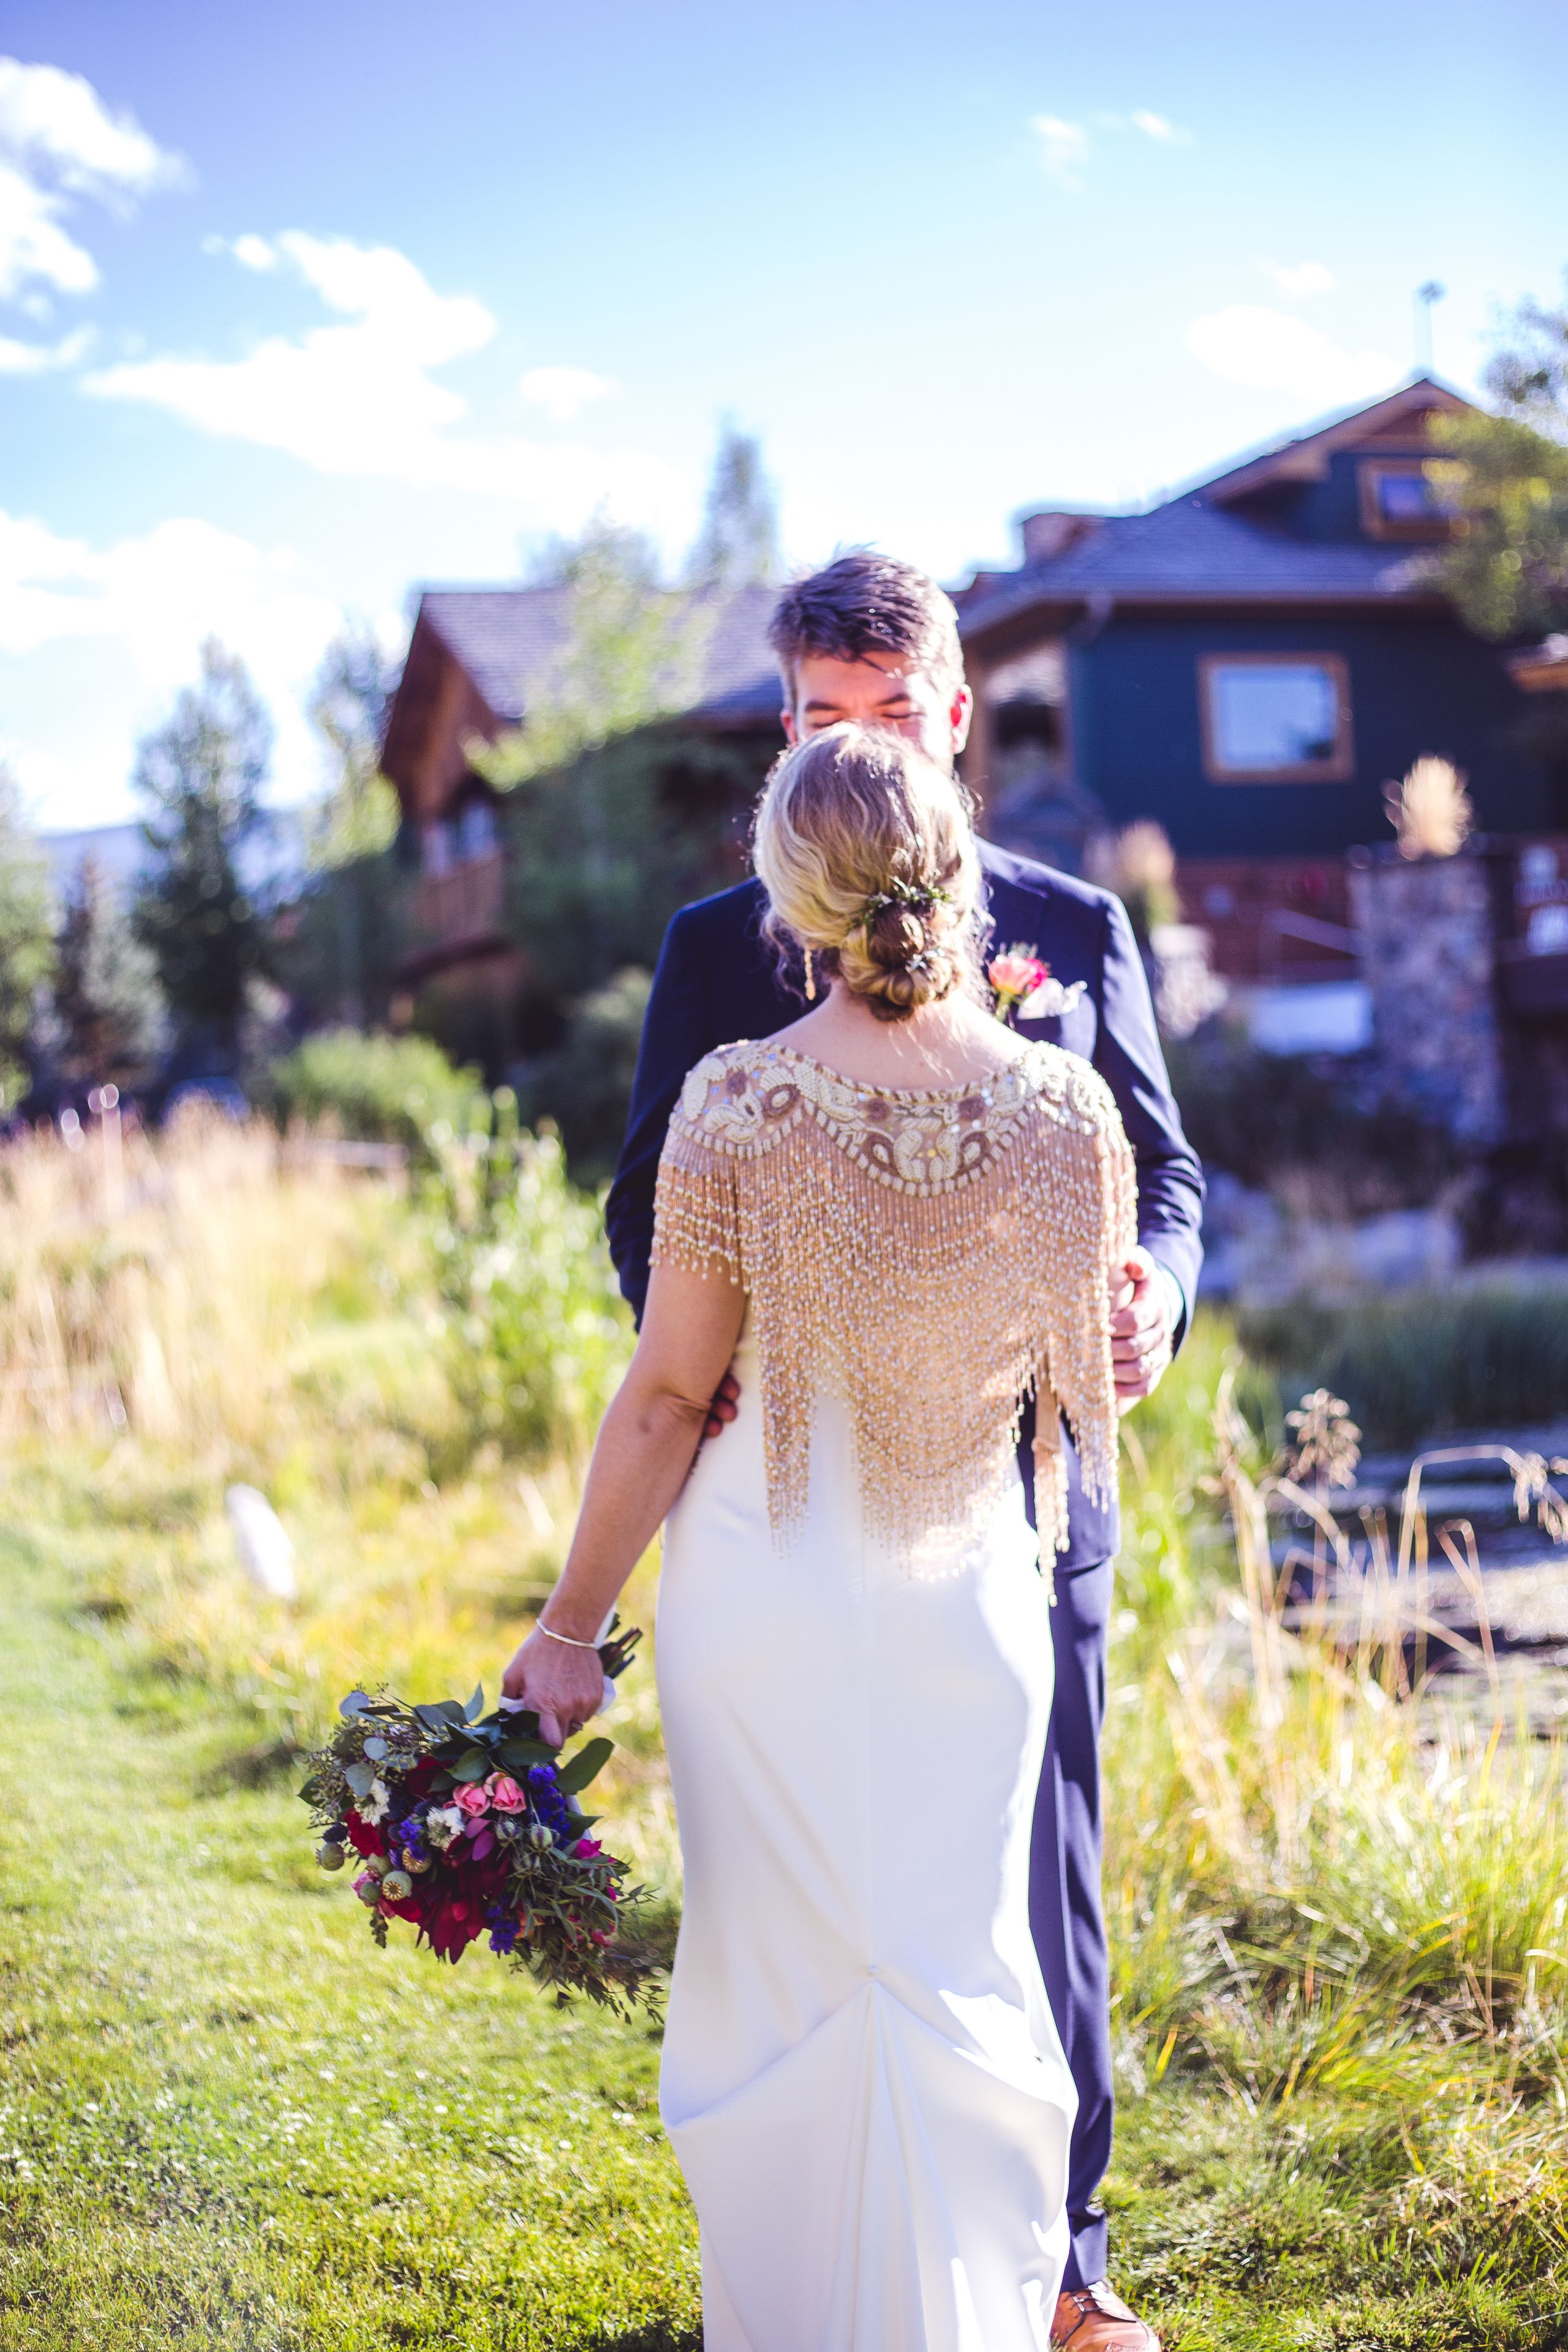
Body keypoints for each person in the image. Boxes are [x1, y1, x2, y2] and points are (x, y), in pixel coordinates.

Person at [600, 556, 1204, 2351]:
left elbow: (1163, 1175)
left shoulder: (1074, 923)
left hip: (1024, 1484)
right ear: (784, 732)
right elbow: (648, 1211)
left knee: (1038, 1866)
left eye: (883, 715)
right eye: (817, 719)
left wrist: (1154, 1300)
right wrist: (737, 1355)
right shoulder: (718, 947)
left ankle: (1064, 2262)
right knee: (823, 1896)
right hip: (789, 1473)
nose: (847, 748)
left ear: (952, 716)